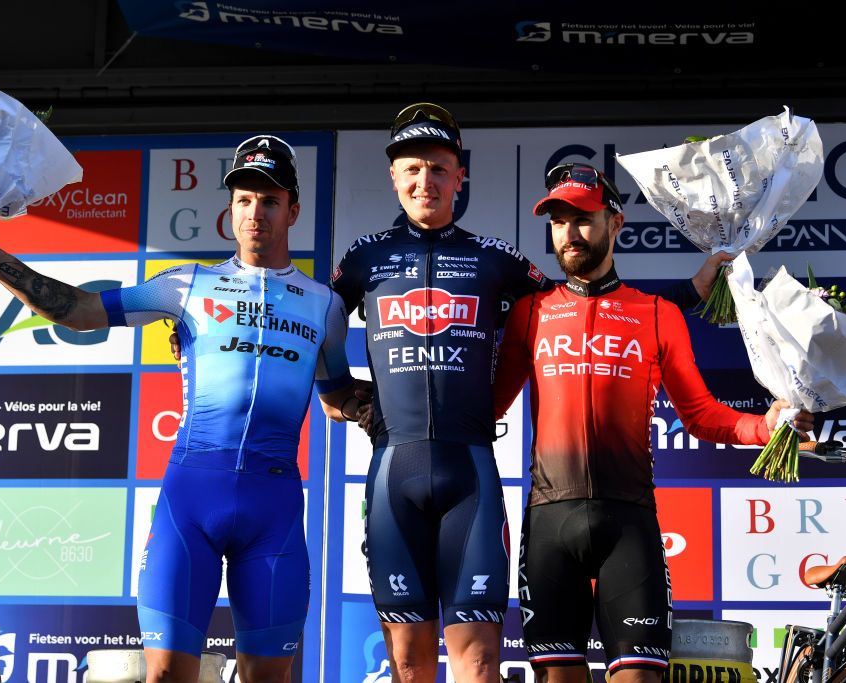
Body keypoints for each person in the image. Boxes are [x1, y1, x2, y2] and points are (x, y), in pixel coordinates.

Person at [334, 104, 722, 683]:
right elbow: (313, 323)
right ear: (393, 176)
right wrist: (333, 388)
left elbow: (593, 298)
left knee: (484, 661)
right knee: (408, 666)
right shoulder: (363, 258)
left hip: (471, 472)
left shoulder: (498, 260)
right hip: (395, 470)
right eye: (412, 169)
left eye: (439, 169)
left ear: (459, 176)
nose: (425, 181)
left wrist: (688, 294)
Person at [0, 135, 366, 683]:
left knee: (269, 678)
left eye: (269, 200)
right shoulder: (186, 284)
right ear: (230, 208)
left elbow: (336, 395)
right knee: (168, 674)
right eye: (244, 199)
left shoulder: (327, 305)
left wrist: (392, 402)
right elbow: (80, 311)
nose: (255, 213)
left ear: (292, 209)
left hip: (274, 508)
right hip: (191, 499)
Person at [492, 163, 815, 683]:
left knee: (641, 678)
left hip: (630, 526)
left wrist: (768, 425)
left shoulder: (657, 314)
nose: (569, 233)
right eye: (558, 221)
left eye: (583, 218)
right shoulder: (531, 312)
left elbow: (703, 415)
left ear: (615, 223)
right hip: (550, 523)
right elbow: (486, 408)